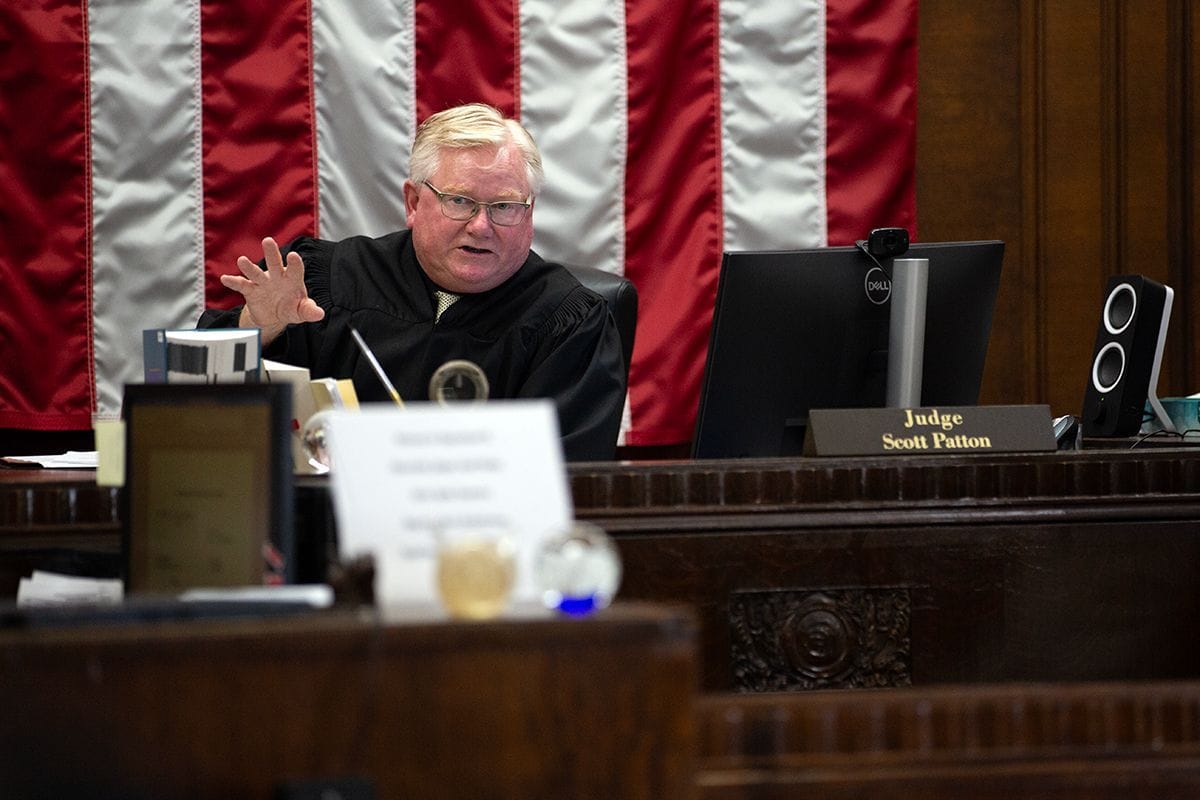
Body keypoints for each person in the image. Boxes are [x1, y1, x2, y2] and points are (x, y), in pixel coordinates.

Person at [199, 103, 625, 461]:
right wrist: (259, 330)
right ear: (414, 202)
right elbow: (198, 410)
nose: (481, 226)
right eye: (459, 201)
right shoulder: (324, 280)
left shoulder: (568, 323)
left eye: (504, 206)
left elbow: (566, 478)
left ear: (530, 212)